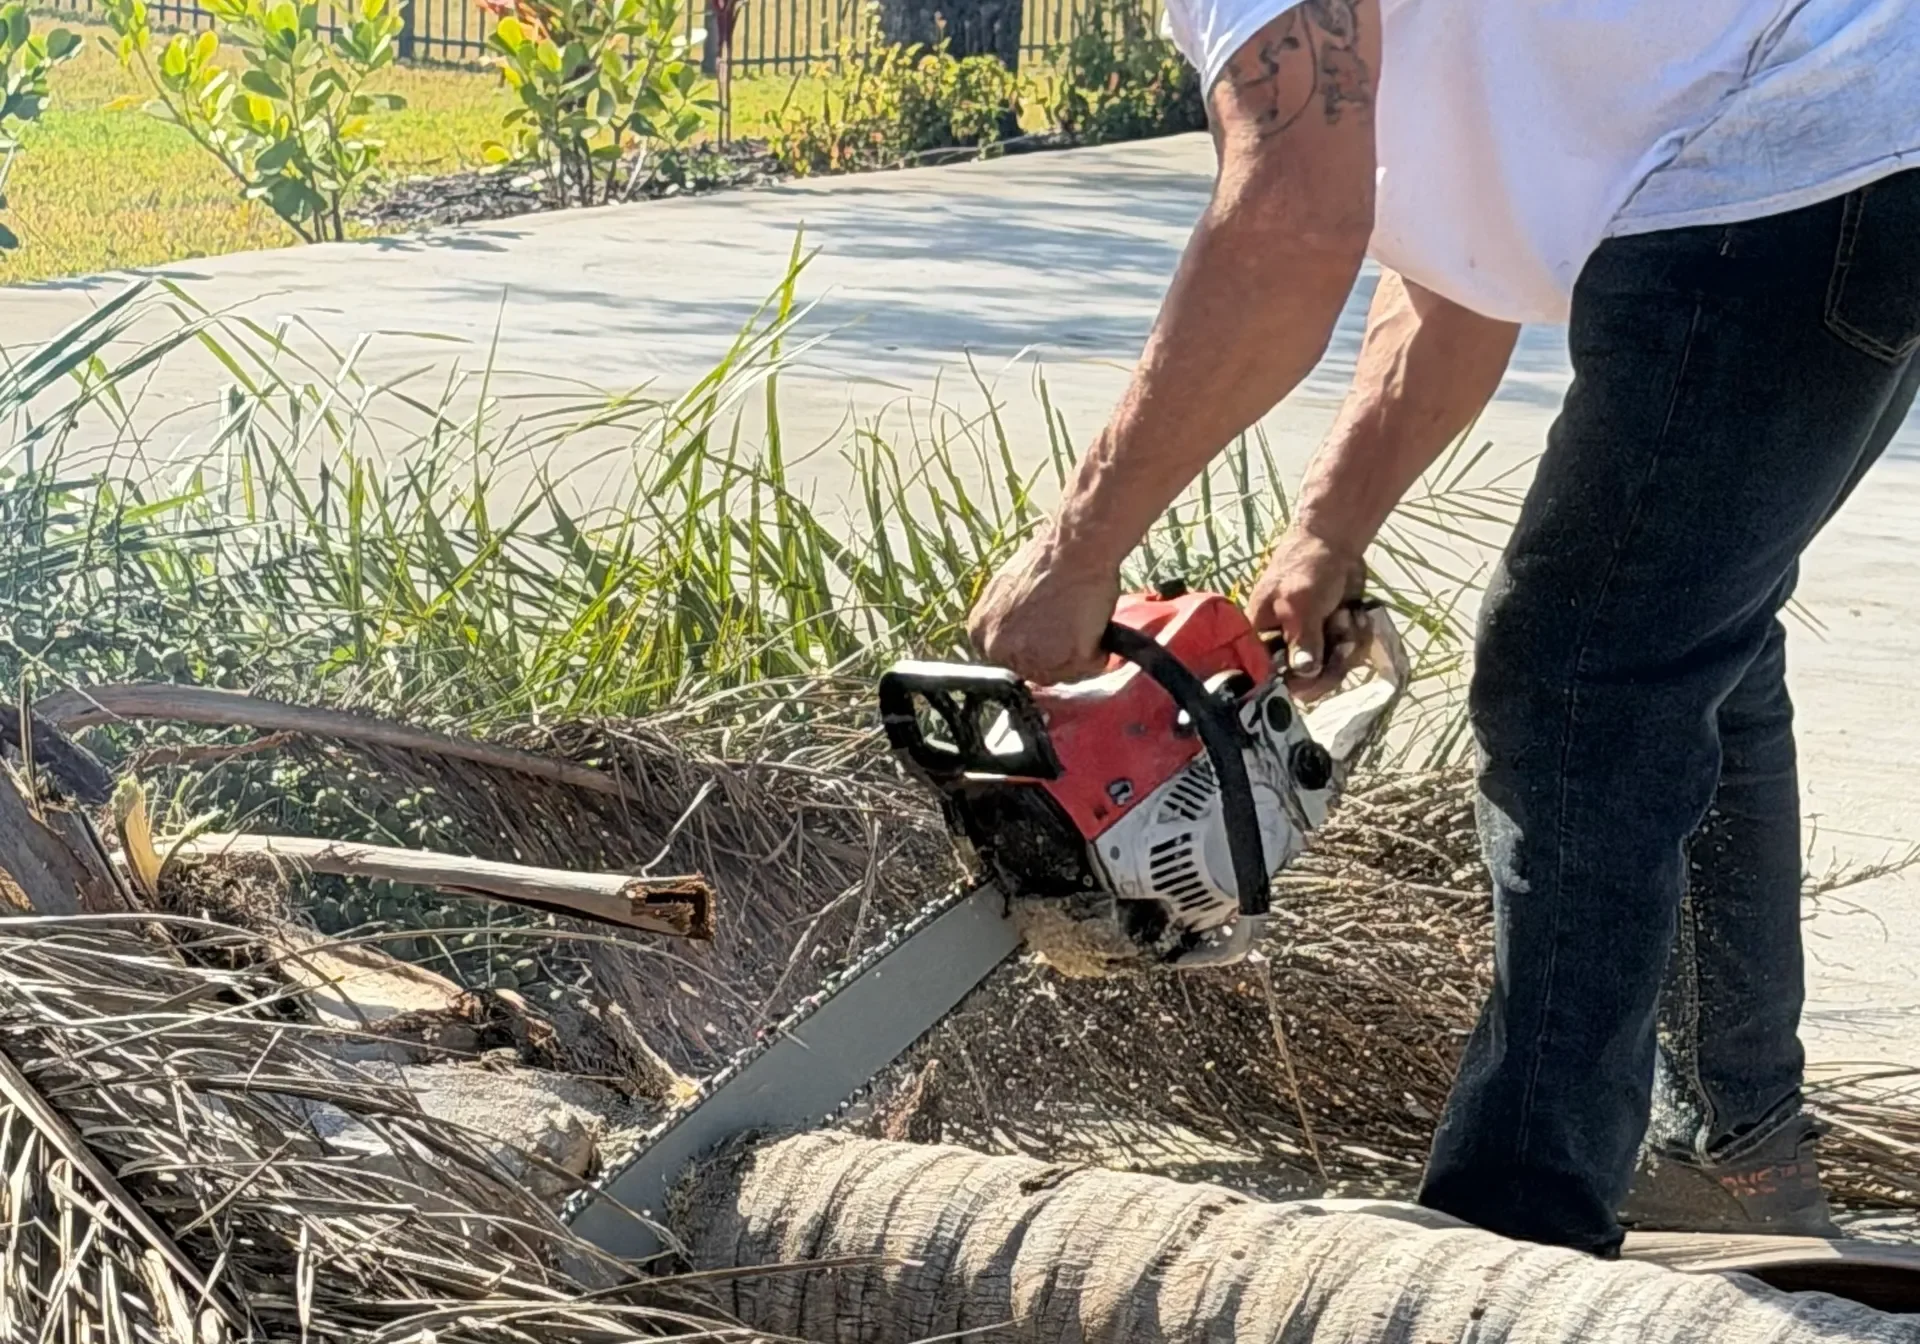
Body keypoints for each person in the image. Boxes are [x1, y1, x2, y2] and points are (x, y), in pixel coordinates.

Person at [965, 0, 1920, 1257]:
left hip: (1805, 149)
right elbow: (1459, 267)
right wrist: (1327, 529)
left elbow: (1291, 224)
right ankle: (1731, 1150)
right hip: (1849, 135)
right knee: (1679, 626)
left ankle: (1512, 1234)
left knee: (1580, 673)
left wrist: (1076, 551)